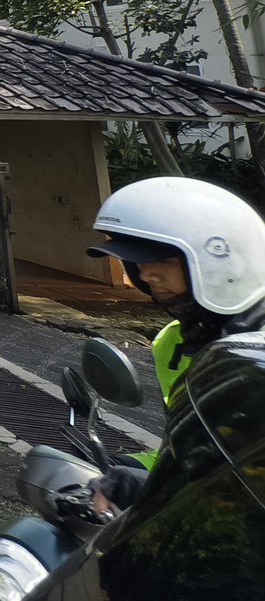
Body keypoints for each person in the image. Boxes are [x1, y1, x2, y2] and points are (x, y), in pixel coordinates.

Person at [84, 175, 265, 511]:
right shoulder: (174, 342)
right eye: (138, 262)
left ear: (220, 258)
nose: (147, 274)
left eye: (163, 260)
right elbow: (197, 448)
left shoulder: (257, 346)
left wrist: (158, 488)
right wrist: (135, 467)